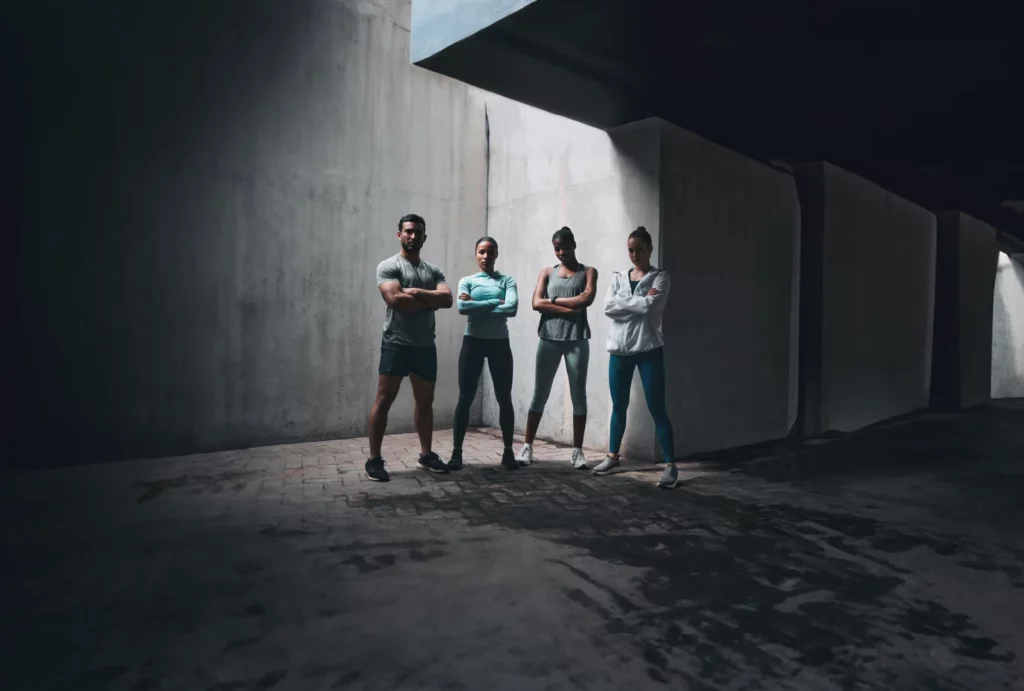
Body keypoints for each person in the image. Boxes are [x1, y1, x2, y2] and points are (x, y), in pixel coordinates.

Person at [366, 214, 453, 482]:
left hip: (425, 346)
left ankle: (426, 455)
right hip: (396, 344)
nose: (413, 236)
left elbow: (448, 299)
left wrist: (417, 293)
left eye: (418, 232)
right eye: (408, 231)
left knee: (425, 402)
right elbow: (395, 300)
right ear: (399, 234)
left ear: (425, 236)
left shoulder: (434, 270)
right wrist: (430, 300)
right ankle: (374, 459)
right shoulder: (388, 266)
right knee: (384, 401)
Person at [591, 226, 679, 488]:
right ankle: (612, 457)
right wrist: (638, 301)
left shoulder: (660, 277)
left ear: (650, 248)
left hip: (648, 350)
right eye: (631, 249)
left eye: (640, 249)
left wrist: (624, 301)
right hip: (619, 351)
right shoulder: (618, 276)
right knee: (618, 406)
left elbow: (652, 306)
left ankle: (671, 466)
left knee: (657, 409)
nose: (635, 254)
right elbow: (608, 307)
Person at [515, 227, 598, 469]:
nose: (561, 252)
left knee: (578, 396)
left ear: (574, 244)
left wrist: (550, 303)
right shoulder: (547, 273)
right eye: (557, 248)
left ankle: (577, 452)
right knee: (539, 393)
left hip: (577, 340)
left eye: (565, 246)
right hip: (548, 338)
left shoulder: (589, 272)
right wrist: (567, 307)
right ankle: (527, 447)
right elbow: (535, 303)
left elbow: (586, 301)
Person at [449, 237, 520, 471]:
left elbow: (512, 308)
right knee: (465, 398)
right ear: (476, 254)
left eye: (490, 252)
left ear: (496, 254)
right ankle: (456, 453)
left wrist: (478, 303)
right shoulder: (467, 280)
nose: (486, 256)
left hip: (499, 344)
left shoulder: (507, 280)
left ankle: (508, 452)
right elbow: (462, 307)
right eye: (481, 252)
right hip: (473, 343)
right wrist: (494, 302)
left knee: (504, 398)